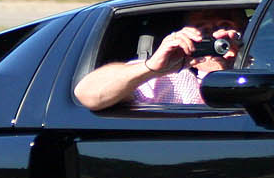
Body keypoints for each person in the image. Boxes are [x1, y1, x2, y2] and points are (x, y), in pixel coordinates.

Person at [73, 9, 243, 110]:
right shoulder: (165, 77)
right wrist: (152, 68)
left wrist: (239, 60)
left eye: (224, 26)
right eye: (201, 29)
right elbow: (88, 94)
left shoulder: (260, 66)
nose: (213, 36)